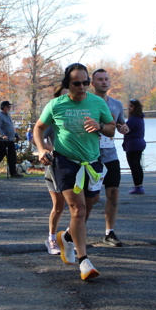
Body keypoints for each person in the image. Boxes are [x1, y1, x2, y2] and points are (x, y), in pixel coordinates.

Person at [33, 63, 115, 281]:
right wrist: (41, 149)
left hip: (92, 162)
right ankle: (84, 261)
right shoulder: (56, 105)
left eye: (85, 82)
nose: (82, 87)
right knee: (77, 209)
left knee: (91, 203)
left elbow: (111, 128)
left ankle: (67, 237)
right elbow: (38, 127)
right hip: (66, 162)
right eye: (77, 83)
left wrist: (100, 126)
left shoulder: (97, 102)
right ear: (67, 84)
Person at [91, 68, 129, 247]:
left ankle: (109, 232)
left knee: (113, 194)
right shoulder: (87, 103)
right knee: (91, 198)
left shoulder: (116, 104)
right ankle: (75, 232)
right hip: (91, 155)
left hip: (110, 155)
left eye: (106, 79)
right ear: (93, 83)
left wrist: (124, 128)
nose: (104, 82)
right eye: (100, 79)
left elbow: (120, 123)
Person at [42, 86, 69, 255]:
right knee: (59, 206)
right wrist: (53, 149)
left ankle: (70, 237)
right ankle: (51, 239)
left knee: (80, 206)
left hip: (77, 166)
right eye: (64, 96)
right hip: (55, 167)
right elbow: (36, 138)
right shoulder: (53, 118)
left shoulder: (78, 116)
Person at [123, 99, 147, 194]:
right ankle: (139, 185)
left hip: (133, 145)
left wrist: (118, 126)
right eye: (129, 106)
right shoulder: (140, 118)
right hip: (140, 143)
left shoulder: (132, 120)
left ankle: (137, 186)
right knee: (138, 165)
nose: (129, 108)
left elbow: (125, 130)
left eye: (131, 106)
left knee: (134, 166)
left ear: (136, 108)